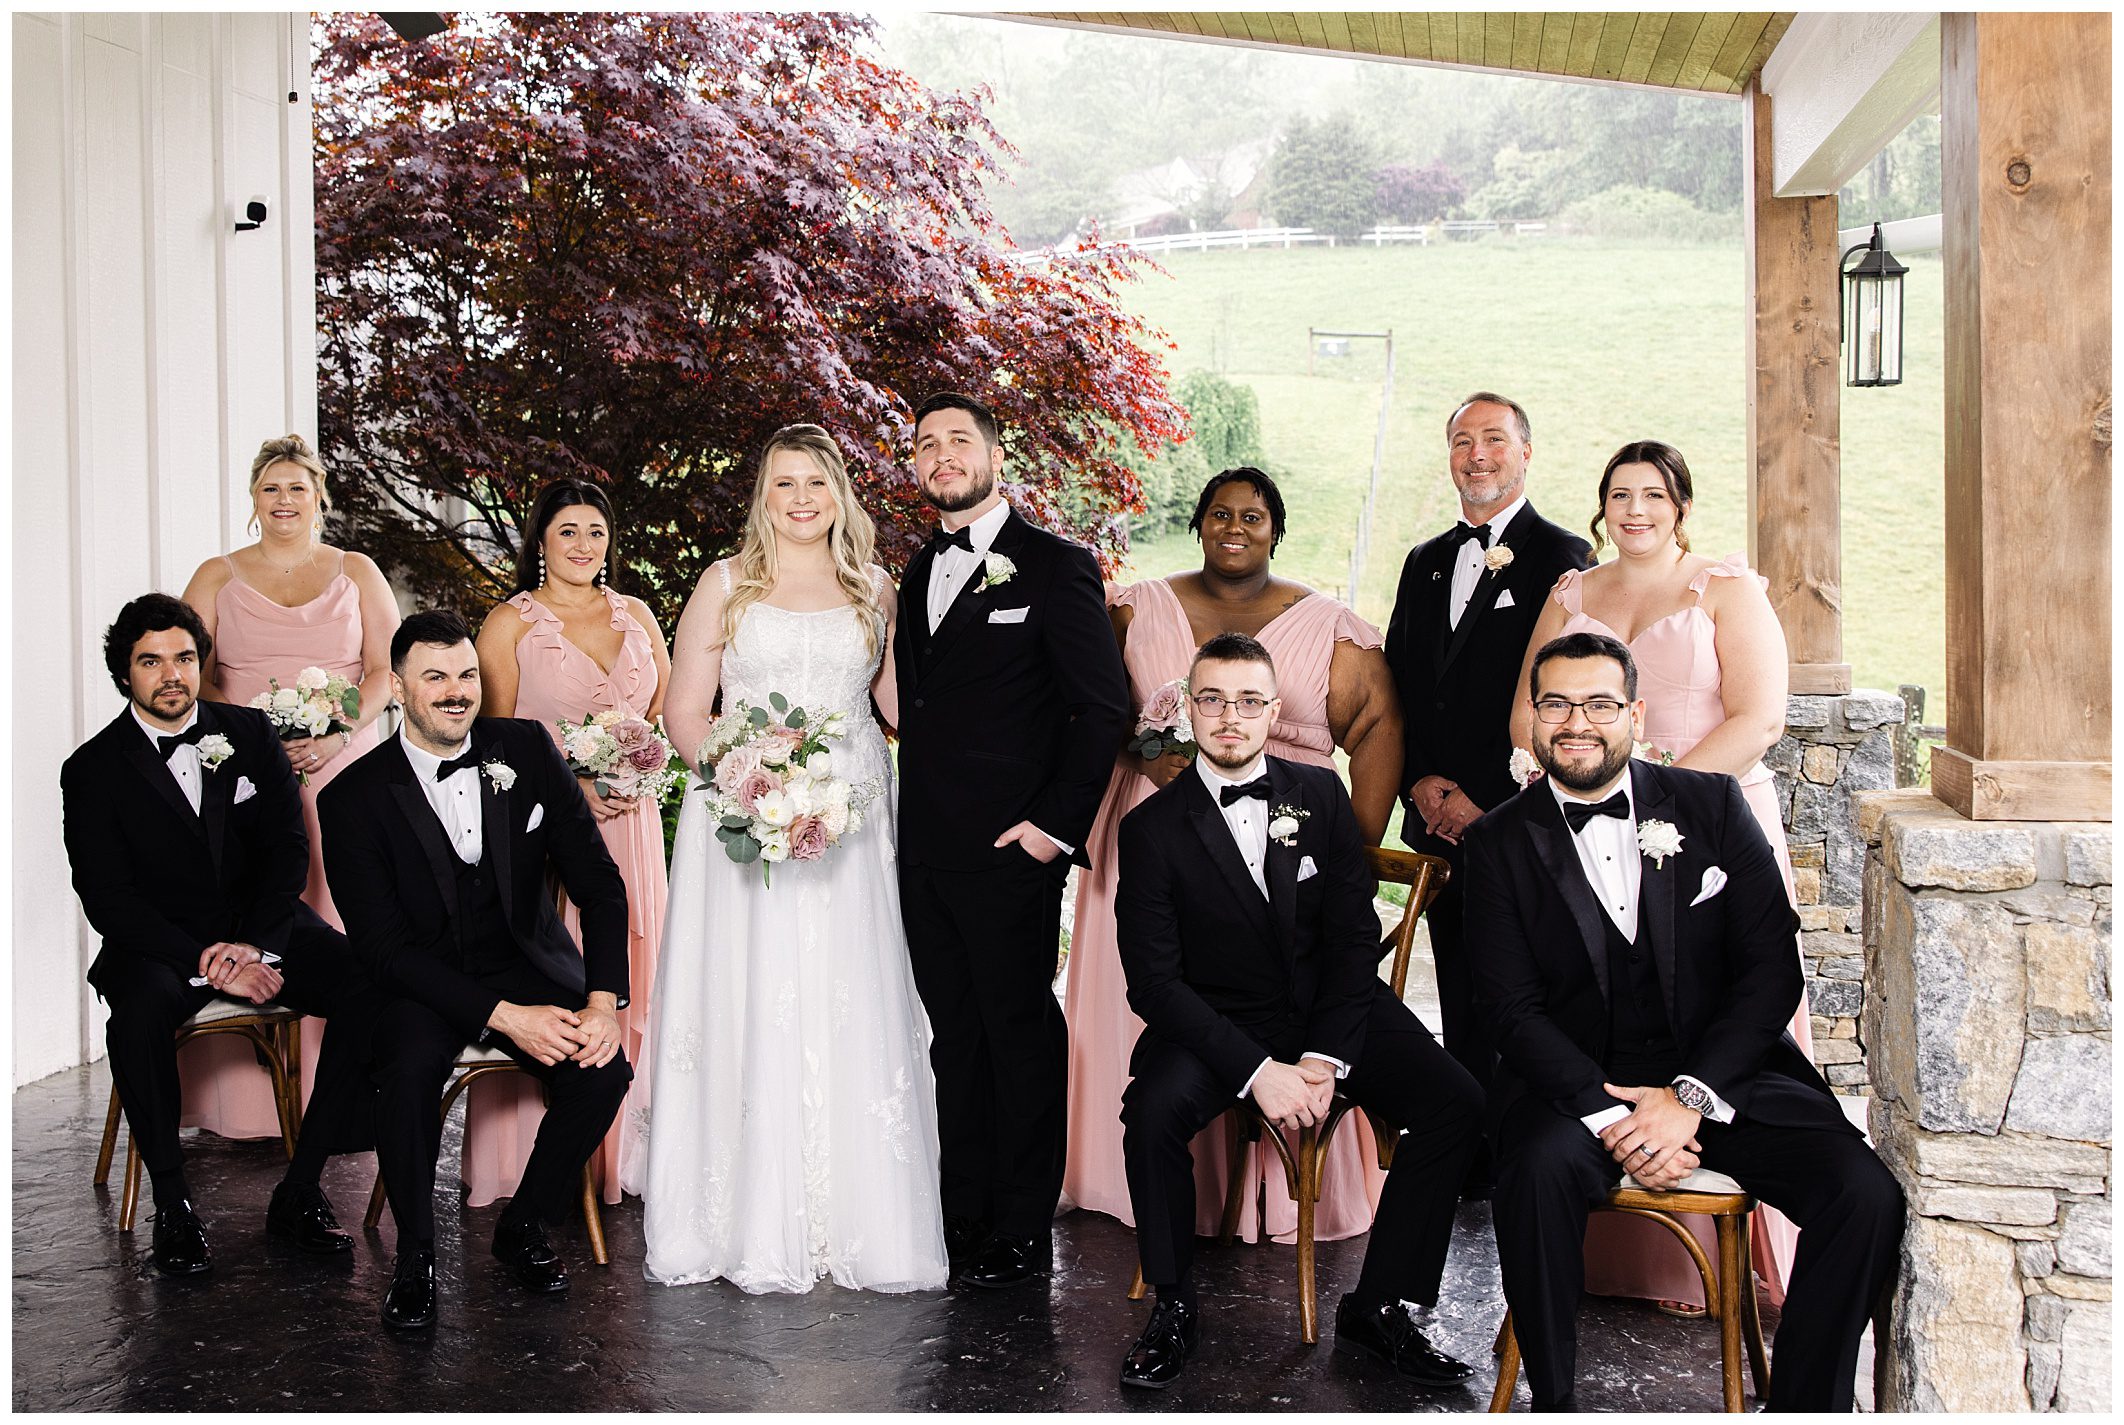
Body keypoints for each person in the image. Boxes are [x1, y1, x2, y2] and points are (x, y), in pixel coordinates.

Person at [1466, 632, 1902, 1412]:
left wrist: (1687, 1098)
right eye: (1557, 703)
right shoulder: (1497, 841)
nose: (1578, 722)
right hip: (1576, 1088)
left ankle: (1806, 1404)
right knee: (1532, 1172)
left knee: (1864, 1194)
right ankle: (1554, 1401)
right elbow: (1509, 1009)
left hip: (1724, 1076)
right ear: (1532, 717)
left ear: (1634, 711)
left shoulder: (1712, 804)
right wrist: (1613, 1117)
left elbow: (1772, 971)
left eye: (1600, 703)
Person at [1112, 633, 1480, 1391]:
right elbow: (1153, 983)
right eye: (1212, 699)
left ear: (1274, 711)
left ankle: (1380, 1307)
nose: (1230, 717)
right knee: (1150, 1113)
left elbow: (1353, 940)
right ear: (1188, 708)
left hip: (1330, 1007)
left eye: (1249, 701)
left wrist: (1324, 1058)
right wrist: (1255, 1071)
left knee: (1457, 1100)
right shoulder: (1150, 829)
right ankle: (1173, 1305)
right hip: (1217, 1022)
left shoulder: (1319, 794)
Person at [640, 423, 947, 1294]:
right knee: (753, 991)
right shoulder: (726, 584)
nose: (802, 498)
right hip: (744, 828)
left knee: (849, 995)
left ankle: (858, 1218)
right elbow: (685, 711)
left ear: (839, 493)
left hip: (851, 821)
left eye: (816, 482)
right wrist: (747, 787)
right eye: (784, 484)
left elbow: (898, 708)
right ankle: (737, 1216)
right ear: (763, 497)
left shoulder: (874, 587)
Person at [1510, 440, 1815, 1313]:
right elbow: (1524, 708)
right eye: (1618, 495)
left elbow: (1759, 718)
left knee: (1720, 1006)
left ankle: (1728, 1245)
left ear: (1681, 505)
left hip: (1710, 829)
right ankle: (1617, 1256)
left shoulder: (1726, 588)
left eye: (1652, 495)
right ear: (1600, 508)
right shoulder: (1572, 591)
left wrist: (1654, 796)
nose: (1634, 510)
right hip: (1590, 829)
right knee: (1607, 1007)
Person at [1063, 466, 1403, 1247]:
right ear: (1198, 522)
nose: (1235, 526)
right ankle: (1137, 1191)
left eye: (1253, 515)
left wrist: (1346, 847)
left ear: (1276, 529)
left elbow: (1379, 722)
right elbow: (1094, 705)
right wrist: (1146, 751)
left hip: (1288, 839)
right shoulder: (1133, 605)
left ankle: (1285, 1196)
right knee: (1154, 994)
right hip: (1156, 835)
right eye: (1220, 512)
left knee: (1302, 989)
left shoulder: (1329, 623)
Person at [319, 611, 632, 1331]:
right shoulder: (352, 798)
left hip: (519, 959)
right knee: (408, 1068)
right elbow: (383, 950)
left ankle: (524, 1225)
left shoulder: (523, 746)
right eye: (435, 677)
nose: (457, 691)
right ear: (399, 688)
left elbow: (599, 881)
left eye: (466, 674)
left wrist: (602, 1001)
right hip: (417, 980)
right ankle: (416, 1257)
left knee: (604, 1068)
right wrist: (501, 1015)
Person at [60, 594, 383, 1277]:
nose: (172, 673)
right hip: (158, 943)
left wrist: (257, 946)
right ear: (125, 675)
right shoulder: (91, 768)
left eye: (184, 657)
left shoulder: (249, 732)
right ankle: (173, 1205)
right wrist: (206, 959)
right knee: (136, 1017)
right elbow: (107, 896)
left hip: (261, 925)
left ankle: (300, 1189)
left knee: (369, 984)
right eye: (151, 661)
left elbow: (287, 849)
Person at [894, 391, 1132, 1287]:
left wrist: (1053, 829)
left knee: (1018, 1034)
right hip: (923, 853)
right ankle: (964, 1215)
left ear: (996, 456)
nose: (941, 454)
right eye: (926, 443)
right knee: (953, 1037)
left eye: (959, 439)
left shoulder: (1056, 566)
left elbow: (1100, 705)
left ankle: (1023, 1226)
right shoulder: (919, 570)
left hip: (1009, 853)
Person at [1381, 391, 1593, 1194]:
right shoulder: (1423, 559)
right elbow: (1401, 682)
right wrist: (1420, 782)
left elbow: (1556, 696)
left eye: (1494, 440)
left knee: (1521, 993)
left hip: (1518, 823)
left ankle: (1526, 1155)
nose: (1477, 455)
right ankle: (1468, 1151)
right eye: (1463, 441)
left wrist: (1485, 800)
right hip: (1435, 816)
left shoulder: (1566, 560)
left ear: (1526, 452)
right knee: (1460, 985)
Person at [177, 434, 399, 1139]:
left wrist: (335, 736)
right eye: (271, 487)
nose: (284, 500)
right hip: (243, 769)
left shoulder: (356, 569)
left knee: (342, 910)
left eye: (297, 487)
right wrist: (244, 743)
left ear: (319, 497)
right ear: (253, 498)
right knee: (252, 900)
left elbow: (386, 670)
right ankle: (244, 1105)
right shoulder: (216, 574)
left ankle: (344, 1097)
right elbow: (191, 674)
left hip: (343, 762)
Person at [474, 478, 672, 1209]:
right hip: (550, 833)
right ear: (541, 542)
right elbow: (489, 745)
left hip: (633, 823)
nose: (584, 545)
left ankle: (634, 1152)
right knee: (564, 973)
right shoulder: (510, 624)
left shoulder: (639, 615)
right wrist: (570, 789)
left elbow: (662, 709)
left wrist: (637, 765)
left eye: (596, 530)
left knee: (637, 970)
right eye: (568, 531)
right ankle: (544, 1163)